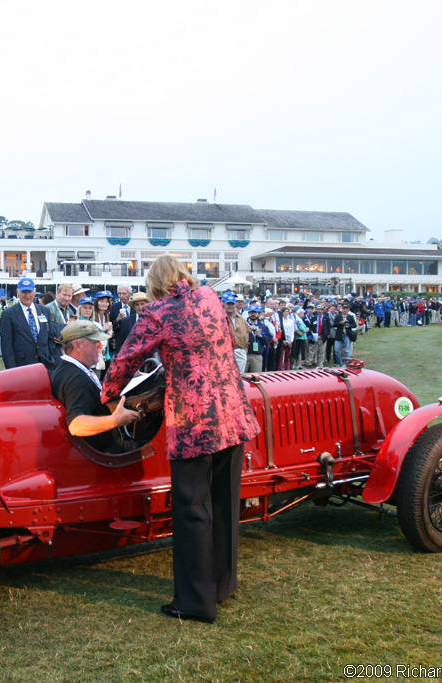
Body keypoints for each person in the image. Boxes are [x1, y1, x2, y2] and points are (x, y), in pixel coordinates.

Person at [102, 255, 259, 624]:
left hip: (194, 423)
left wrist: (108, 394)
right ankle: (222, 585)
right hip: (232, 413)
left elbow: (127, 359)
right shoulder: (209, 297)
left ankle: (194, 603)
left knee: (192, 511)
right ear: (184, 275)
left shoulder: (157, 313)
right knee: (224, 504)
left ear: (155, 283)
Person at [50, 320, 140, 454]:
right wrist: (115, 421)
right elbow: (76, 425)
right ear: (78, 346)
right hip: (106, 451)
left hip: (105, 445)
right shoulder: (76, 379)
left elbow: (92, 392)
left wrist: (125, 378)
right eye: (95, 342)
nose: (101, 346)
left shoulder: (70, 369)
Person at [0, 278, 61, 369]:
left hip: (45, 365)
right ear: (18, 292)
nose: (27, 295)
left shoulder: (45, 311)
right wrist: (11, 370)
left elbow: (50, 338)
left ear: (35, 292)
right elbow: (6, 346)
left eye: (29, 292)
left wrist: (51, 358)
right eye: (24, 292)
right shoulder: (9, 314)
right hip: (21, 366)